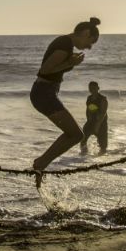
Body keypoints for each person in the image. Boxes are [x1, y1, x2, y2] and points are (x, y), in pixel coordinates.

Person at [30, 17, 101, 186]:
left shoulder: (65, 44)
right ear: (85, 33)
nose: (89, 47)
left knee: (74, 134)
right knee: (76, 134)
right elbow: (45, 70)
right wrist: (70, 63)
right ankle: (40, 164)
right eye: (90, 42)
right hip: (43, 93)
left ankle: (41, 163)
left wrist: (70, 63)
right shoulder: (64, 44)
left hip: (46, 93)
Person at [80, 81, 109, 155]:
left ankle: (101, 159)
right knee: (82, 139)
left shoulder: (103, 99)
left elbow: (103, 113)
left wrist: (97, 125)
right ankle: (83, 155)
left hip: (101, 123)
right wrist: (88, 120)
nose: (92, 89)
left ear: (98, 88)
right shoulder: (89, 98)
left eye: (93, 88)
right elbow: (88, 109)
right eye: (90, 88)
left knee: (103, 146)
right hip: (90, 121)